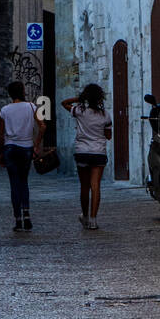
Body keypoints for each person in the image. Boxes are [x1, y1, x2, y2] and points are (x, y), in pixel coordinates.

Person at [61, 85, 112, 230]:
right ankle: (94, 220)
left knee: (84, 186)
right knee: (95, 186)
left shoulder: (79, 111)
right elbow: (108, 136)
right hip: (98, 152)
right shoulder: (105, 115)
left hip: (82, 151)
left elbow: (64, 103)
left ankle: (85, 215)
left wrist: (80, 99)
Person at [0, 81, 45, 231]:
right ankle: (27, 214)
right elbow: (43, 126)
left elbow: (0, 134)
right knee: (24, 181)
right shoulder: (32, 107)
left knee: (14, 183)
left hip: (10, 148)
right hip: (26, 148)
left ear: (10, 93)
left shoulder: (4, 110)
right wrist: (36, 144)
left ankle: (18, 220)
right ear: (23, 91)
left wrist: (1, 153)